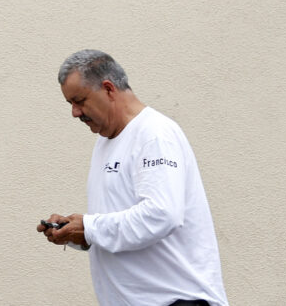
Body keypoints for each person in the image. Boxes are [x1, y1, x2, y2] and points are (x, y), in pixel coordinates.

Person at [39, 49, 228, 306]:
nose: (74, 112)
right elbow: (119, 227)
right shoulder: (106, 141)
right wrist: (77, 233)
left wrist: (90, 227)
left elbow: (162, 214)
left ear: (108, 89)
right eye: (70, 104)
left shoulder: (154, 134)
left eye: (79, 100)